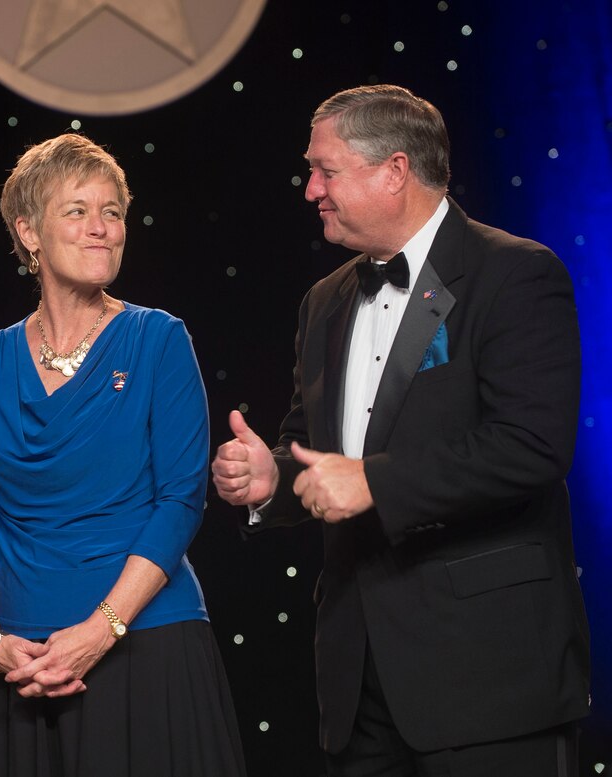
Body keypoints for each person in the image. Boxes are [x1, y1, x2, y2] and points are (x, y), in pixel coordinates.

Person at [212, 84, 590, 776]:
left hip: (490, 681)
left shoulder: (513, 275)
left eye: (324, 170)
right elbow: (314, 452)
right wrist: (272, 478)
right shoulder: (323, 301)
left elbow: (531, 446)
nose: (310, 190)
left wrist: (372, 481)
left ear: (393, 171)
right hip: (359, 685)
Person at [0, 133, 246, 776]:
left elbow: (180, 500)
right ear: (28, 233)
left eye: (112, 212)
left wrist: (101, 629)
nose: (101, 229)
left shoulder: (157, 338)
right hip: (14, 664)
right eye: (77, 211)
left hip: (145, 645)